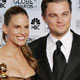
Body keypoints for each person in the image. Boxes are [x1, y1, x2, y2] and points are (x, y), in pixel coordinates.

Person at [29, 0, 80, 80]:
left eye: (65, 14)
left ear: (71, 14)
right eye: (53, 15)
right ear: (44, 18)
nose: (60, 20)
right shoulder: (31, 50)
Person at [0, 6, 41, 80]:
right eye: (17, 27)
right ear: (5, 28)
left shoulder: (31, 57)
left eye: (26, 27)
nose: (23, 32)